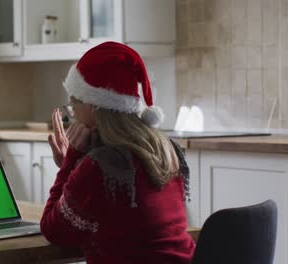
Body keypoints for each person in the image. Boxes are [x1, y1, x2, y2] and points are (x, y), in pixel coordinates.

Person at [41, 41, 195, 263]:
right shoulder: (168, 150)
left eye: (74, 106)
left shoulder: (98, 167)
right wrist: (77, 168)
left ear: (93, 106)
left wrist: (71, 162)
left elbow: (53, 230)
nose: (72, 115)